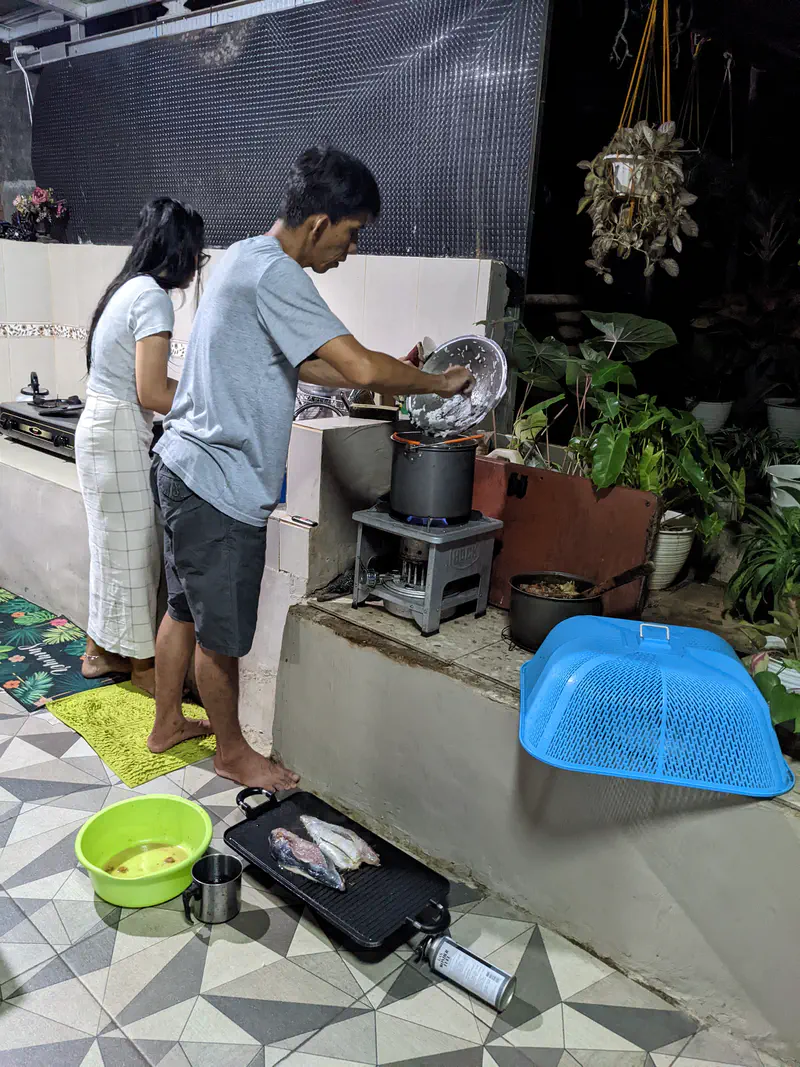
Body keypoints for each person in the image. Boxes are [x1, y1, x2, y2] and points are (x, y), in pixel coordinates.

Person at [149, 146, 474, 790]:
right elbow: (355, 365)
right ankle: (233, 752)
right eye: (351, 235)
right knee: (224, 636)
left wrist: (372, 383)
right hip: (217, 486)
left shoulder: (242, 256)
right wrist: (437, 384)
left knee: (185, 606)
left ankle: (166, 725)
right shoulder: (278, 275)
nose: (349, 251)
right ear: (320, 223)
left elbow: (311, 366)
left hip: (181, 467)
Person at [75, 198, 210, 709]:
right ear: (180, 251)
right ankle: (142, 668)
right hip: (115, 435)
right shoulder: (151, 297)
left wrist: (191, 391)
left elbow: (147, 386)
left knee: (110, 551)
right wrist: (208, 402)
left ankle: (98, 653)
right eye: (197, 254)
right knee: (135, 557)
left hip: (99, 429)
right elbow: (153, 391)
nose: (197, 265)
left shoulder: (126, 288)